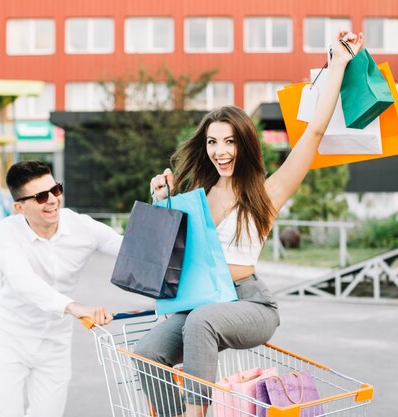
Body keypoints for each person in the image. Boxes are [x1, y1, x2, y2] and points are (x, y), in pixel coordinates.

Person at [134, 30, 364, 417]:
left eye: (229, 141)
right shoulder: (196, 198)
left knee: (202, 322)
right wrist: (162, 201)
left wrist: (338, 63)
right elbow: (170, 255)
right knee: (146, 353)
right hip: (201, 306)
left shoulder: (267, 194)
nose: (220, 151)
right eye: (212, 142)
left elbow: (315, 133)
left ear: (245, 144)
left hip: (250, 304)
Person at [0, 160, 122, 417]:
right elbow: (21, 280)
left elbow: (133, 250)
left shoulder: (83, 227)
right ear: (19, 208)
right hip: (10, 338)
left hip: (55, 342)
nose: (52, 200)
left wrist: (161, 201)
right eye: (40, 197)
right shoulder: (4, 231)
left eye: (55, 190)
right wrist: (75, 308)